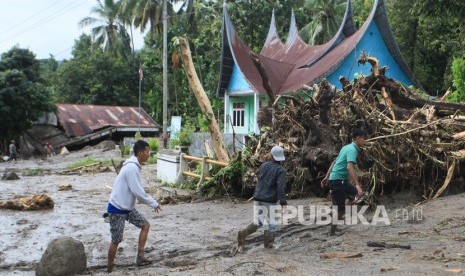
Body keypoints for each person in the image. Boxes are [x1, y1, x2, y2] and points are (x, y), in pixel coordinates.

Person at [106, 140, 162, 273]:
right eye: (148, 151)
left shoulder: (133, 166)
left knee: (145, 225)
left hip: (127, 208)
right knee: (116, 240)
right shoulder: (132, 168)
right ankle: (109, 267)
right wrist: (154, 203)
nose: (149, 154)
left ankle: (140, 257)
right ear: (141, 153)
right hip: (117, 208)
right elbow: (138, 193)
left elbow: (136, 192)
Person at [237, 145, 287, 252]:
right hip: (270, 200)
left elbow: (260, 179)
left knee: (258, 222)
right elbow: (280, 187)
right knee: (272, 223)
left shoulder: (263, 165)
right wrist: (283, 201)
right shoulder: (281, 170)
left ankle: (243, 233)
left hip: (258, 197)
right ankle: (268, 245)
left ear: (271, 156)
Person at [321, 128, 368, 236]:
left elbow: (334, 162)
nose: (364, 141)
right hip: (338, 181)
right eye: (363, 139)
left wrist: (327, 177)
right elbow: (349, 167)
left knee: (356, 194)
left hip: (338, 180)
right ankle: (332, 232)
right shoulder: (352, 149)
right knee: (342, 207)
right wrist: (357, 184)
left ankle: (338, 215)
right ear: (358, 138)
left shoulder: (346, 147)